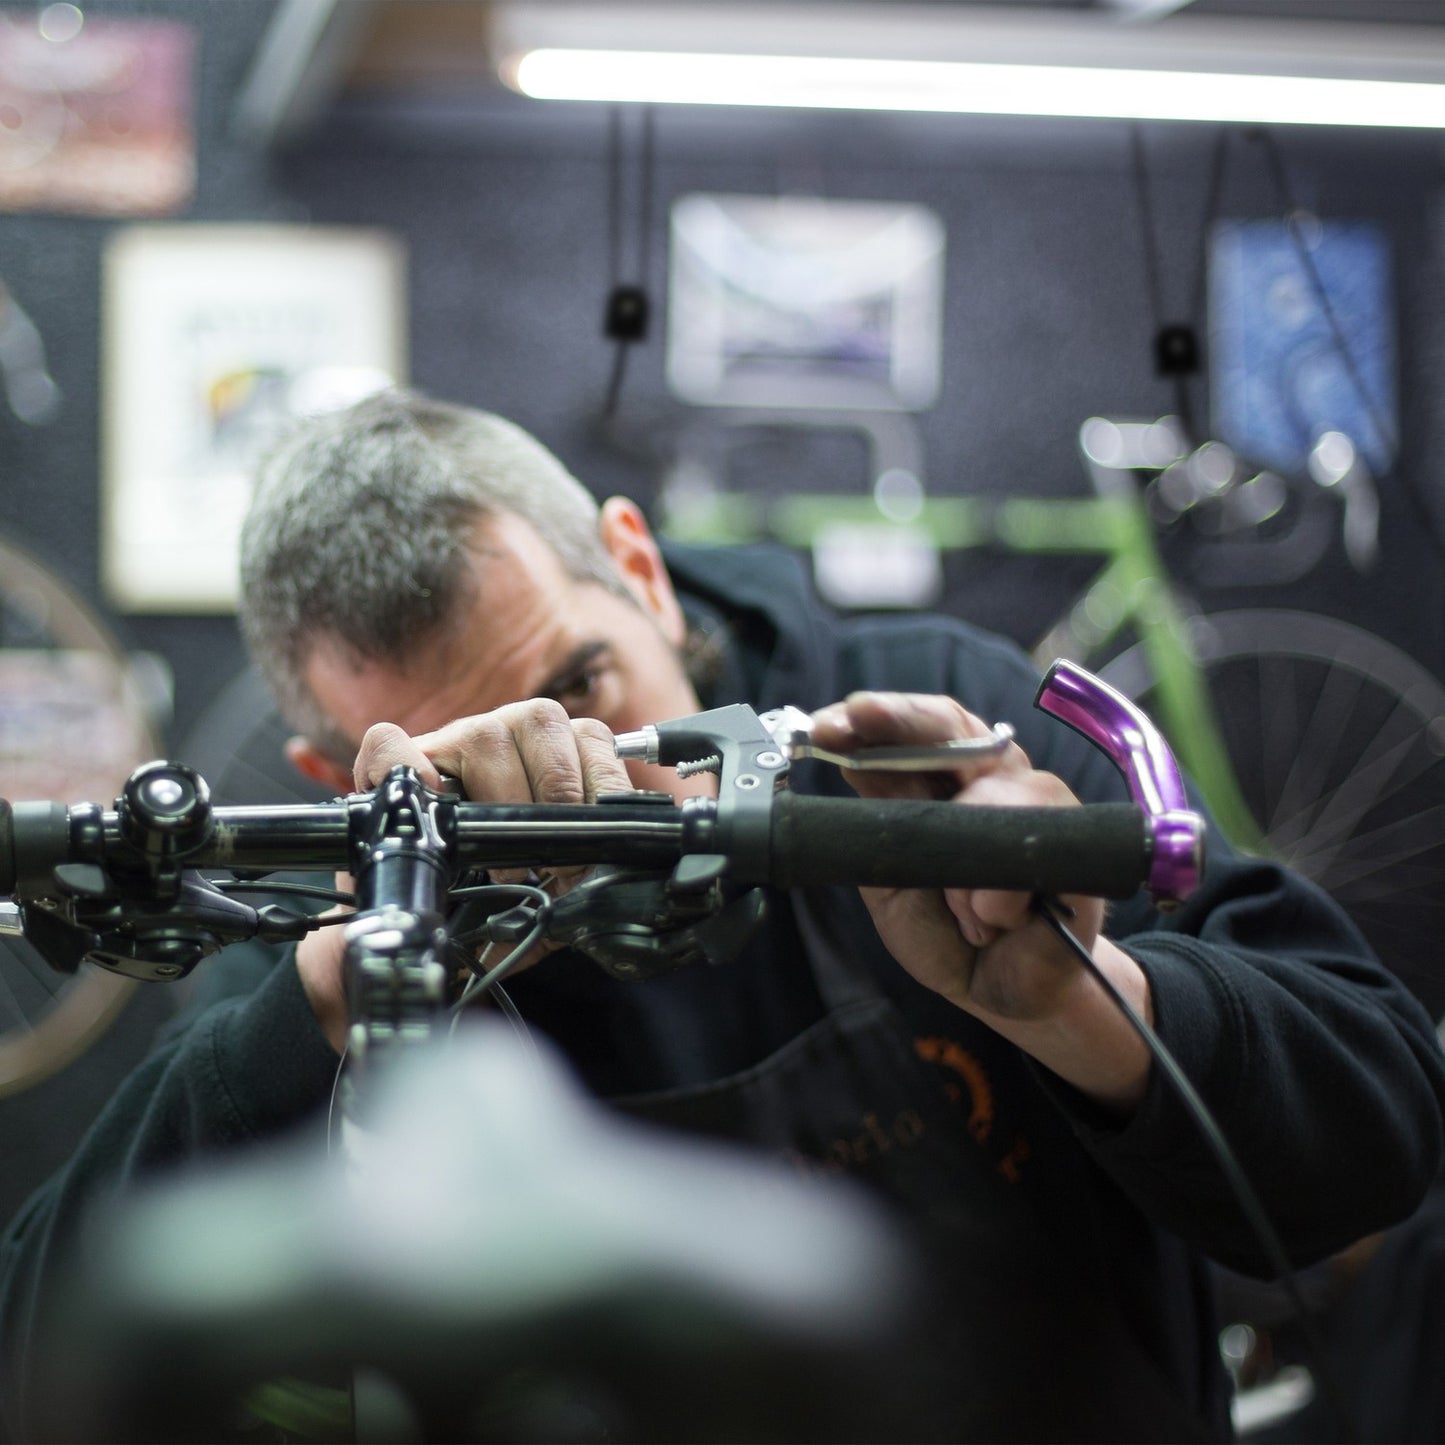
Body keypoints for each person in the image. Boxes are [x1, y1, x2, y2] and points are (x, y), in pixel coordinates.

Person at [3, 389, 1443, 1442]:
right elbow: (41, 1356)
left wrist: (1087, 1004)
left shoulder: (937, 724)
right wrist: (320, 1004)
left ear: (637, 566)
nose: (562, 783)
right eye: (474, 762)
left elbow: (1380, 1125)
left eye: (580, 688)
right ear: (337, 772)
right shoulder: (350, 904)